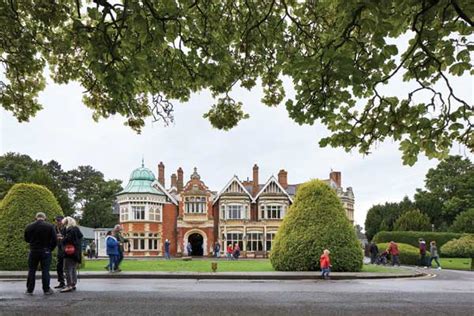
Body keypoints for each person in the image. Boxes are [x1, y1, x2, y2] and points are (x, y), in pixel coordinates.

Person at [24, 212, 57, 295]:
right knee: (45, 270)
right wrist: (50, 249)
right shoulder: (50, 226)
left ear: (36, 218)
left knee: (31, 270)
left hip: (33, 250)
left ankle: (29, 289)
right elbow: (54, 240)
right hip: (45, 250)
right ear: (44, 218)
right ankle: (46, 289)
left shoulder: (29, 226)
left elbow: (26, 239)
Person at [60, 217, 83, 293]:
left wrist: (61, 239)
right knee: (73, 269)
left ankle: (69, 285)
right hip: (76, 252)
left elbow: (68, 240)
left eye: (64, 223)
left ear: (67, 222)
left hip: (69, 252)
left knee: (67, 269)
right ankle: (73, 283)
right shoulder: (76, 229)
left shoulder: (70, 230)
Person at [54, 215, 66, 289]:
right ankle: (61, 282)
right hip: (60, 249)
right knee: (59, 267)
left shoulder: (66, 228)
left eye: (58, 221)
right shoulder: (55, 228)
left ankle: (70, 283)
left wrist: (62, 237)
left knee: (68, 267)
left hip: (66, 249)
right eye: (56, 221)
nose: (57, 222)